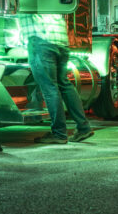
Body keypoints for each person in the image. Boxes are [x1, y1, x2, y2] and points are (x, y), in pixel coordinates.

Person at [21, 13, 94, 144]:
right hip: (61, 41)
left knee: (50, 88)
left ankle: (59, 133)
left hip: (41, 40)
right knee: (64, 85)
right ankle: (84, 127)